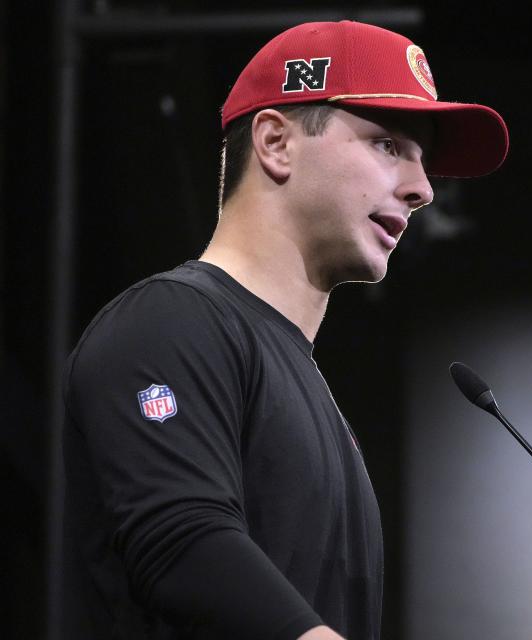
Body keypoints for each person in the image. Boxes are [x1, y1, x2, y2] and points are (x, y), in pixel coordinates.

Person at [61, 20, 508, 640]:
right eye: (388, 144)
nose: (422, 188)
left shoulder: (315, 397)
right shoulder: (169, 322)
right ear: (276, 143)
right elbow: (179, 541)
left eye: (422, 160)